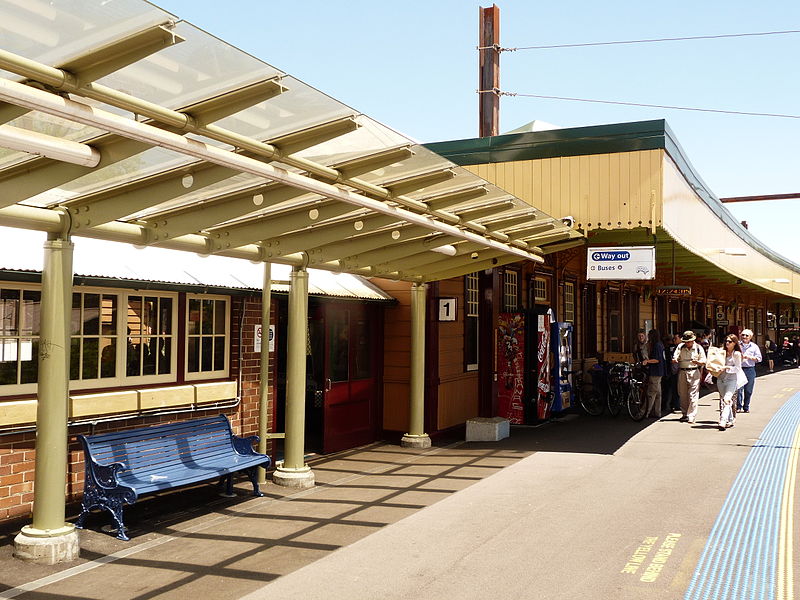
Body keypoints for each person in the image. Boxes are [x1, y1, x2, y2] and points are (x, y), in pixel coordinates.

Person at [672, 330, 706, 424]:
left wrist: (698, 362)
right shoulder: (680, 347)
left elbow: (704, 361)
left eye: (689, 341)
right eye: (686, 341)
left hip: (694, 371)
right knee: (682, 394)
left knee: (693, 395)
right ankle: (684, 414)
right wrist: (675, 359)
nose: (687, 343)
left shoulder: (698, 348)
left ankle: (691, 415)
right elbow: (675, 357)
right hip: (682, 372)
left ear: (693, 340)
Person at [717, 334, 745, 431]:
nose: (727, 343)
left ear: (734, 343)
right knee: (723, 400)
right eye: (726, 341)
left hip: (732, 380)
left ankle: (723, 420)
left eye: (730, 341)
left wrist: (726, 367)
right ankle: (730, 419)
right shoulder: (721, 352)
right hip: (720, 379)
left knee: (727, 399)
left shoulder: (736, 354)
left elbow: (738, 368)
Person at [736, 329, 762, 413]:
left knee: (748, 390)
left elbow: (759, 358)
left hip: (750, 369)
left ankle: (746, 406)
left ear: (750, 337)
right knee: (739, 388)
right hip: (739, 369)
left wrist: (749, 357)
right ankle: (738, 407)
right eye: (743, 335)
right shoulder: (737, 345)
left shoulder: (754, 346)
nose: (744, 337)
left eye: (747, 335)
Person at [643, 329, 666, 418]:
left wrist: (647, 361)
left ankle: (645, 412)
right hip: (660, 371)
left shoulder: (656, 346)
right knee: (658, 393)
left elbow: (657, 359)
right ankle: (657, 412)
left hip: (655, 371)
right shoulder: (660, 344)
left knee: (651, 393)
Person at [661, 334, 679, 414]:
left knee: (670, 390)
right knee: (672, 389)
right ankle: (673, 405)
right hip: (672, 371)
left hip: (672, 371)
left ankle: (671, 405)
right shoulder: (670, 348)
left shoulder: (675, 348)